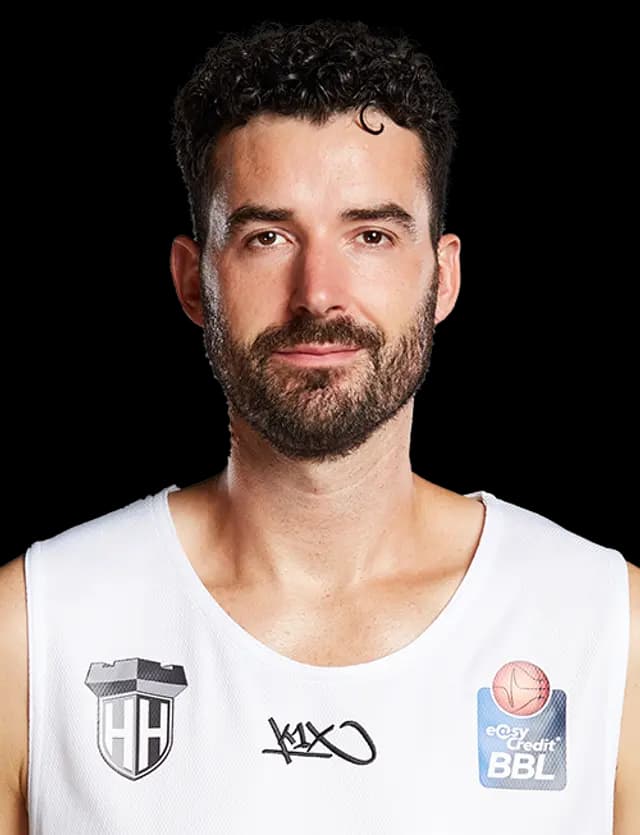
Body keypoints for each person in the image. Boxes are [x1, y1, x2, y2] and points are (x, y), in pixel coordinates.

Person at [1, 18, 637, 834]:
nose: (318, 293)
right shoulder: (36, 627)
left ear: (443, 278)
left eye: (371, 235)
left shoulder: (604, 624)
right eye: (268, 237)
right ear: (194, 282)